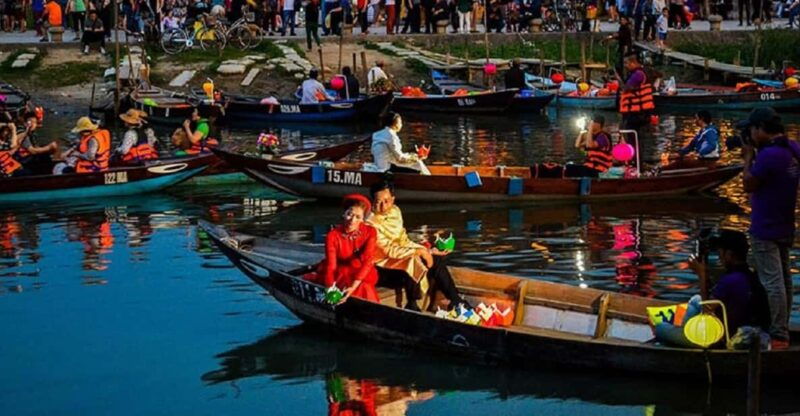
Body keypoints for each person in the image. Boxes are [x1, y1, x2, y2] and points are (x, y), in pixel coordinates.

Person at [739, 107, 800, 350]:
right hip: (785, 224)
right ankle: (781, 328)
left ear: (761, 129)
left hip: (765, 227)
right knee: (784, 280)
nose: (751, 135)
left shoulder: (768, 155)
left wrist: (747, 158)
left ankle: (778, 335)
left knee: (773, 283)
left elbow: (748, 184)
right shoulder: (792, 148)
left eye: (752, 130)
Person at [654, 230, 770, 346]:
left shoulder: (731, 280)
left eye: (720, 252)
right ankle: (677, 322)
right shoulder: (750, 274)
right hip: (739, 325)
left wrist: (702, 275)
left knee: (659, 327)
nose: (719, 256)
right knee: (696, 300)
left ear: (729, 254)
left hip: (721, 337)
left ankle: (671, 323)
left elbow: (706, 311)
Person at [368, 181, 470, 311]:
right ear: (372, 201)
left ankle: (455, 299)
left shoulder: (395, 211)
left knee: (436, 260)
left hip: (400, 259)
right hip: (383, 267)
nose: (383, 206)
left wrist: (427, 251)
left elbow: (404, 240)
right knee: (412, 260)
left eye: (387, 201)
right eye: (378, 202)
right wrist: (420, 252)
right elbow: (389, 250)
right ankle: (412, 304)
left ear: (393, 199)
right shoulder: (370, 222)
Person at [307, 194, 380, 304]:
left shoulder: (370, 232)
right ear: (344, 214)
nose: (352, 220)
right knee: (351, 285)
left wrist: (353, 287)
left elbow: (368, 261)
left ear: (363, 219)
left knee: (363, 286)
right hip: (340, 272)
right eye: (350, 214)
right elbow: (331, 266)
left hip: (361, 271)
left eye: (358, 217)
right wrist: (330, 288)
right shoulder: (333, 236)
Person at [618, 53, 655, 130]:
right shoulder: (642, 72)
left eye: (626, 63)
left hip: (637, 114)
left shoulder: (638, 74)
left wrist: (618, 79)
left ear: (633, 63)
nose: (625, 66)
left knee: (631, 132)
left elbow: (626, 88)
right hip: (640, 112)